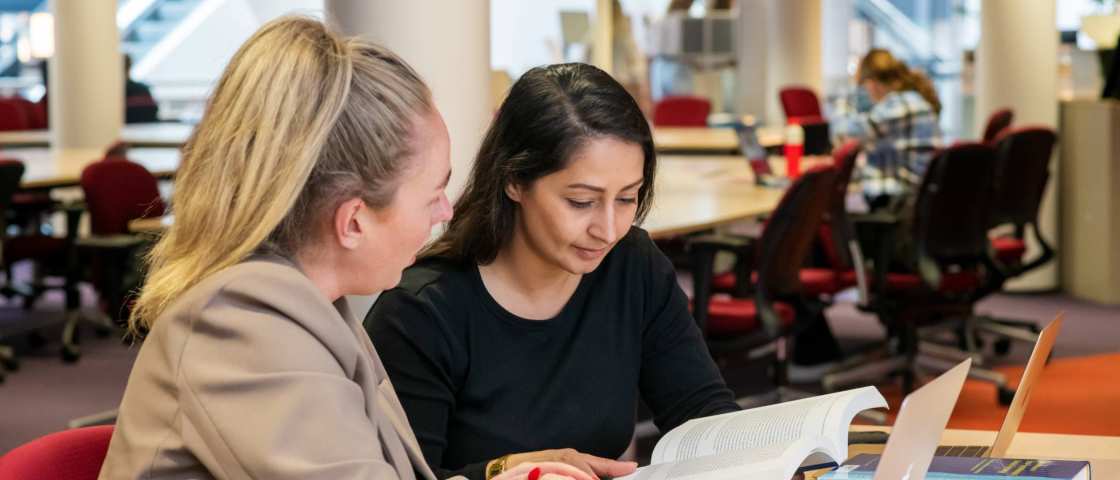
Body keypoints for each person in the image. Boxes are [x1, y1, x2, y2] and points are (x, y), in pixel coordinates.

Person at [99, 17, 592, 480]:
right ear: (353, 221)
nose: (445, 211)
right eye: (432, 193)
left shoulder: (301, 300)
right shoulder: (241, 324)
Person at [365, 63, 740, 480]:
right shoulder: (420, 314)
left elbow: (702, 413)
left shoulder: (633, 266)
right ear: (514, 182)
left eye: (627, 198)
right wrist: (514, 470)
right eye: (581, 202)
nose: (608, 230)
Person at [830, 48, 943, 210]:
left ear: (872, 82)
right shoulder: (912, 100)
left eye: (864, 85)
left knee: (828, 214)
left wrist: (846, 95)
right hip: (915, 202)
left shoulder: (898, 107)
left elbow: (842, 131)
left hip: (899, 204)